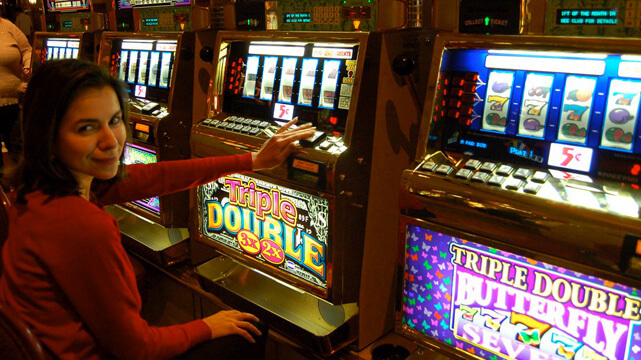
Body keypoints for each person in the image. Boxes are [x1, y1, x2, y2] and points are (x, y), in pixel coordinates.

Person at [0, 59, 317, 360]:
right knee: (251, 328)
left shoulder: (37, 189)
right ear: (48, 134)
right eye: (86, 128)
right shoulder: (81, 225)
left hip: (63, 347)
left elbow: (151, 177)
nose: (111, 141)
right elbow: (136, 349)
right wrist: (207, 326)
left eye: (114, 120)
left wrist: (251, 160)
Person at [0, 15, 30, 171]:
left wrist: (27, 64)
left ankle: (22, 190)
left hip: (14, 102)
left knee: (20, 152)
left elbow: (27, 49)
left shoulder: (8, 26)